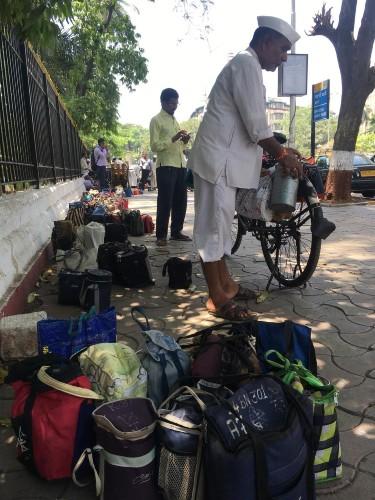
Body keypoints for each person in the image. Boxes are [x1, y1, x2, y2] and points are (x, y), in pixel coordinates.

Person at [188, 16, 303, 321]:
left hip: (222, 164)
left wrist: (281, 152)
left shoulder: (247, 66)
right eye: (281, 49)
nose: (283, 56)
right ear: (265, 43)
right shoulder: (246, 64)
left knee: (221, 228)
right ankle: (217, 299)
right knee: (213, 230)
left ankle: (226, 286)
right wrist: (281, 155)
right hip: (217, 163)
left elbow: (250, 125)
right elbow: (256, 123)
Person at [150, 88, 191, 247]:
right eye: (172, 103)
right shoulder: (156, 120)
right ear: (164, 102)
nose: (175, 106)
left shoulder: (175, 121)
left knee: (181, 201)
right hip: (165, 165)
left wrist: (184, 140)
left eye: (176, 103)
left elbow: (179, 145)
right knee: (165, 201)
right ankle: (161, 235)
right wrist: (173, 138)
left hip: (180, 164)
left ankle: (176, 232)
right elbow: (154, 145)